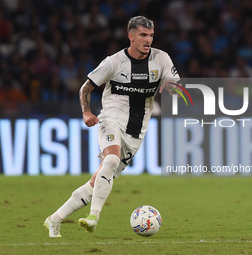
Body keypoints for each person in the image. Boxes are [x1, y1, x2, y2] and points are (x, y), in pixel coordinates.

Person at [44, 16, 180, 237]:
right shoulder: (114, 62)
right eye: (143, 35)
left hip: (136, 133)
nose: (148, 40)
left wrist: (174, 90)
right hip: (111, 120)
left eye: (151, 36)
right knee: (112, 159)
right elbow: (85, 88)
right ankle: (93, 217)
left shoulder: (161, 59)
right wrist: (86, 112)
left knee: (97, 181)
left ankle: (54, 219)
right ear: (131, 36)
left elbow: (177, 89)